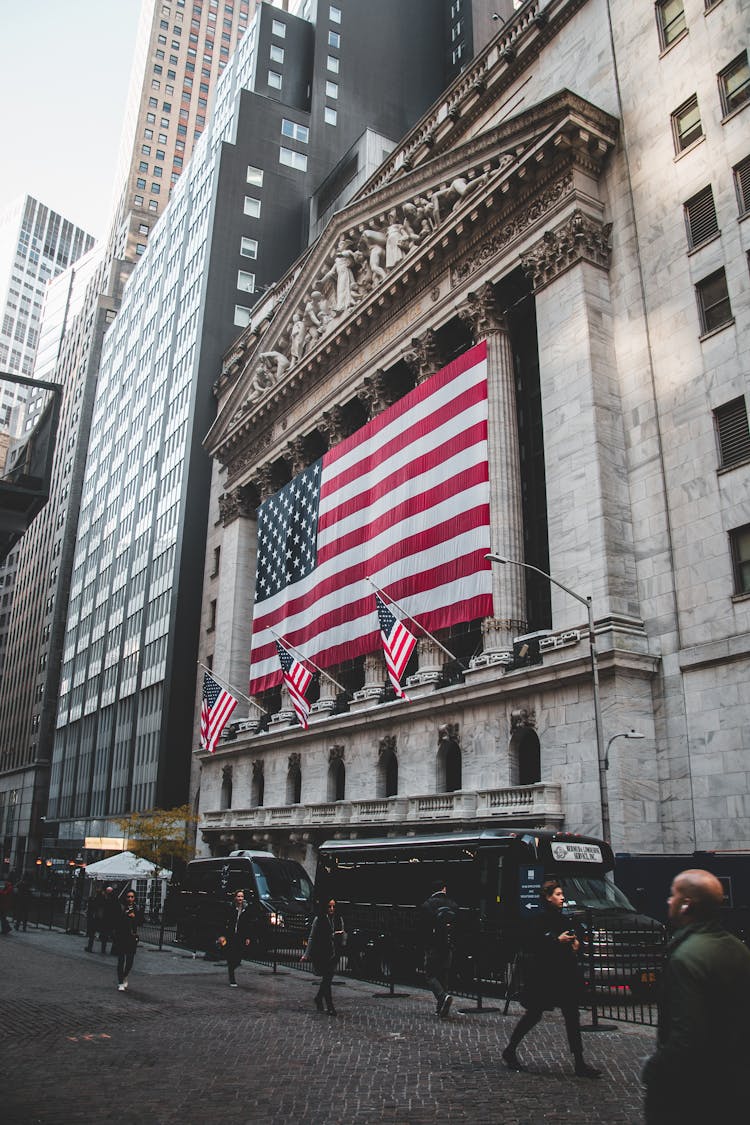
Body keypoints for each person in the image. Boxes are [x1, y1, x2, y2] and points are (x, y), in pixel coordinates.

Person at [642, 868, 750, 1124]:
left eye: (673, 895)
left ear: (686, 905)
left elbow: (687, 1035)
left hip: (694, 1086)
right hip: (735, 1078)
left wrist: (655, 1068)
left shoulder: (685, 958)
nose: (669, 900)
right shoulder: (738, 949)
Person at [502, 878, 600, 1078]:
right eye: (557, 894)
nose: (562, 897)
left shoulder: (564, 918)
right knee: (534, 1014)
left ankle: (579, 1062)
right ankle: (510, 1049)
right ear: (547, 898)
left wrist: (575, 944)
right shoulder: (540, 919)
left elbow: (572, 940)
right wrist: (557, 940)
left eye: (562, 894)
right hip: (546, 976)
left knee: (572, 1016)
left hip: (564, 975)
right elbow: (536, 944)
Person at [420, 879, 458, 1019]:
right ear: (444, 889)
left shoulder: (427, 905)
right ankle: (441, 1008)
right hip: (448, 946)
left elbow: (423, 929)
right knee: (444, 976)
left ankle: (443, 997)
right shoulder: (453, 905)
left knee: (430, 975)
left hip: (433, 946)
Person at [301, 898, 346, 1015]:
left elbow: (343, 935)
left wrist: (341, 938)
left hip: (334, 953)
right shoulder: (319, 919)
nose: (331, 909)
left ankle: (319, 998)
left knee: (327, 979)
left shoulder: (338, 919)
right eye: (329, 906)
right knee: (327, 979)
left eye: (333, 907)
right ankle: (330, 1005)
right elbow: (312, 937)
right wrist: (306, 954)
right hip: (322, 953)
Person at [217, 889, 254, 987]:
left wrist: (248, 937)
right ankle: (232, 977)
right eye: (238, 896)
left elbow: (248, 924)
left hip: (241, 935)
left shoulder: (247, 909)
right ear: (235, 897)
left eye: (242, 896)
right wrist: (222, 935)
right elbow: (224, 921)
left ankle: (232, 968)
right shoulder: (230, 908)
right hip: (231, 935)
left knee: (238, 958)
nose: (240, 898)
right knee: (231, 956)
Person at [114, 888, 143, 992]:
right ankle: (120, 982)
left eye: (132, 897)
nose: (130, 899)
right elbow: (117, 921)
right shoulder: (121, 907)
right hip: (122, 936)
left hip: (131, 937)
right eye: (128, 897)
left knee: (130, 960)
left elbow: (140, 922)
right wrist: (125, 915)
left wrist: (135, 917)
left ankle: (125, 975)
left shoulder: (136, 908)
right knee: (121, 960)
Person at [100, 885, 120, 955]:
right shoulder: (115, 900)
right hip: (113, 920)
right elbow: (118, 910)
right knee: (114, 936)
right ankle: (113, 950)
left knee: (106, 936)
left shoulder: (107, 900)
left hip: (107, 920)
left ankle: (103, 949)